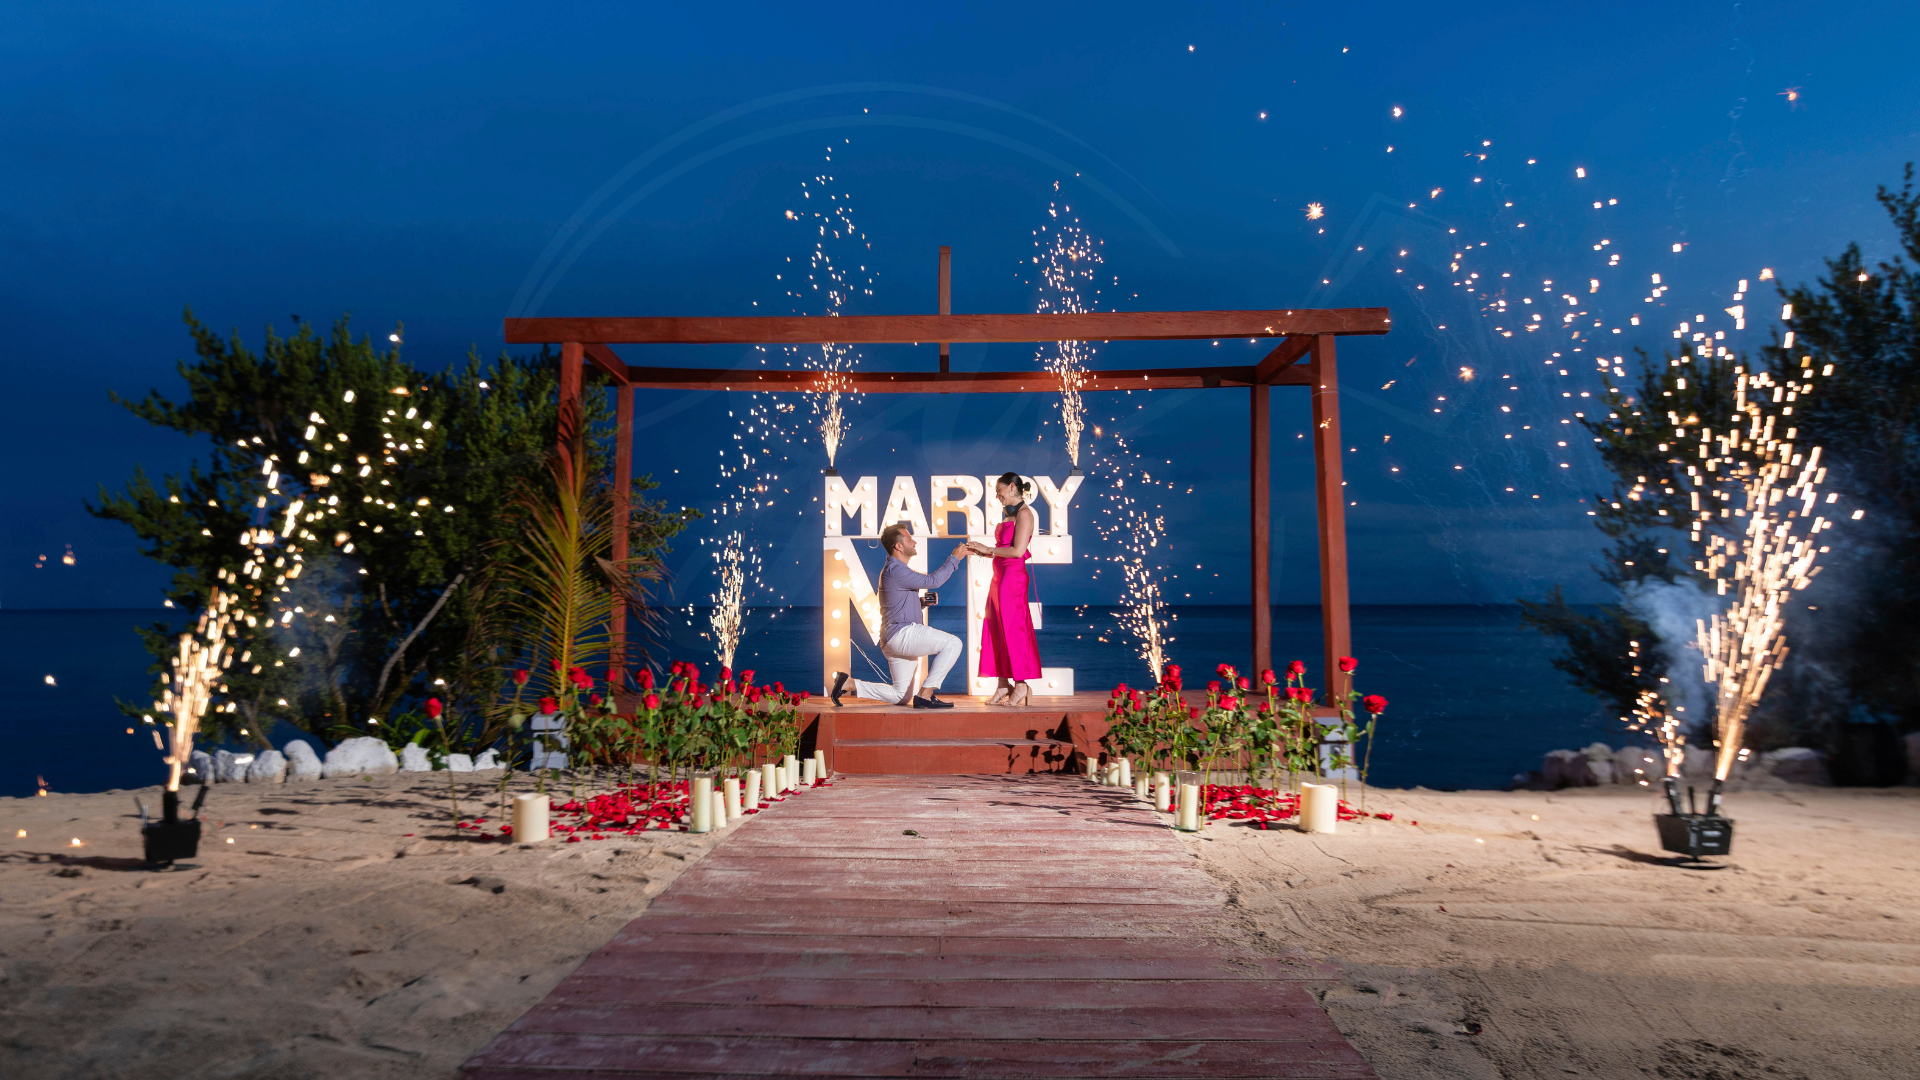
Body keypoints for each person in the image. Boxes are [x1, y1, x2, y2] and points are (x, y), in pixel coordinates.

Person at [828, 522, 965, 709]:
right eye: (909, 539)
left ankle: (850, 684)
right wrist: (955, 558)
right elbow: (933, 581)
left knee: (901, 696)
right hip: (902, 634)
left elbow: (897, 607)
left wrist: (921, 603)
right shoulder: (896, 570)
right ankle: (926, 694)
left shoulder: (895, 571)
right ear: (898, 546)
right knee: (953, 643)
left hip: (893, 639)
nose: (914, 542)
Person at [966, 472, 1042, 706]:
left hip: (1013, 578)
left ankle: (1021, 684)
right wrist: (981, 552)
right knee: (996, 629)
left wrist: (988, 549)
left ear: (1011, 487)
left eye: (999, 491)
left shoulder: (1025, 514)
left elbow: (1018, 551)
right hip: (999, 576)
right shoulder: (1010, 514)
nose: (997, 496)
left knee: (1013, 630)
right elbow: (1004, 548)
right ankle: (1002, 684)